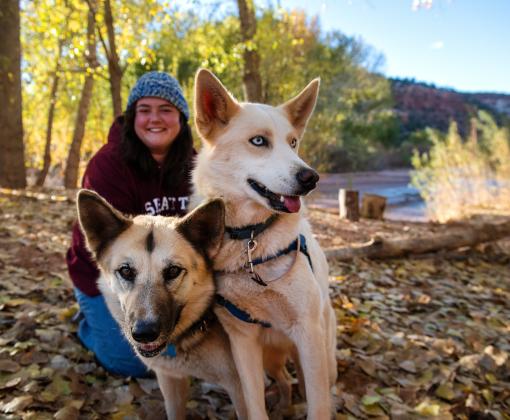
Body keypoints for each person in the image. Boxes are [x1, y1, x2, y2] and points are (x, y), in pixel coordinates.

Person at [66, 72, 194, 377]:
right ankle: (88, 323)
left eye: (166, 109)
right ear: (132, 116)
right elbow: (109, 253)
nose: (155, 119)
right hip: (108, 277)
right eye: (144, 110)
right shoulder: (108, 165)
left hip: (167, 274)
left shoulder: (196, 166)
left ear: (181, 118)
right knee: (130, 362)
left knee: (182, 350)